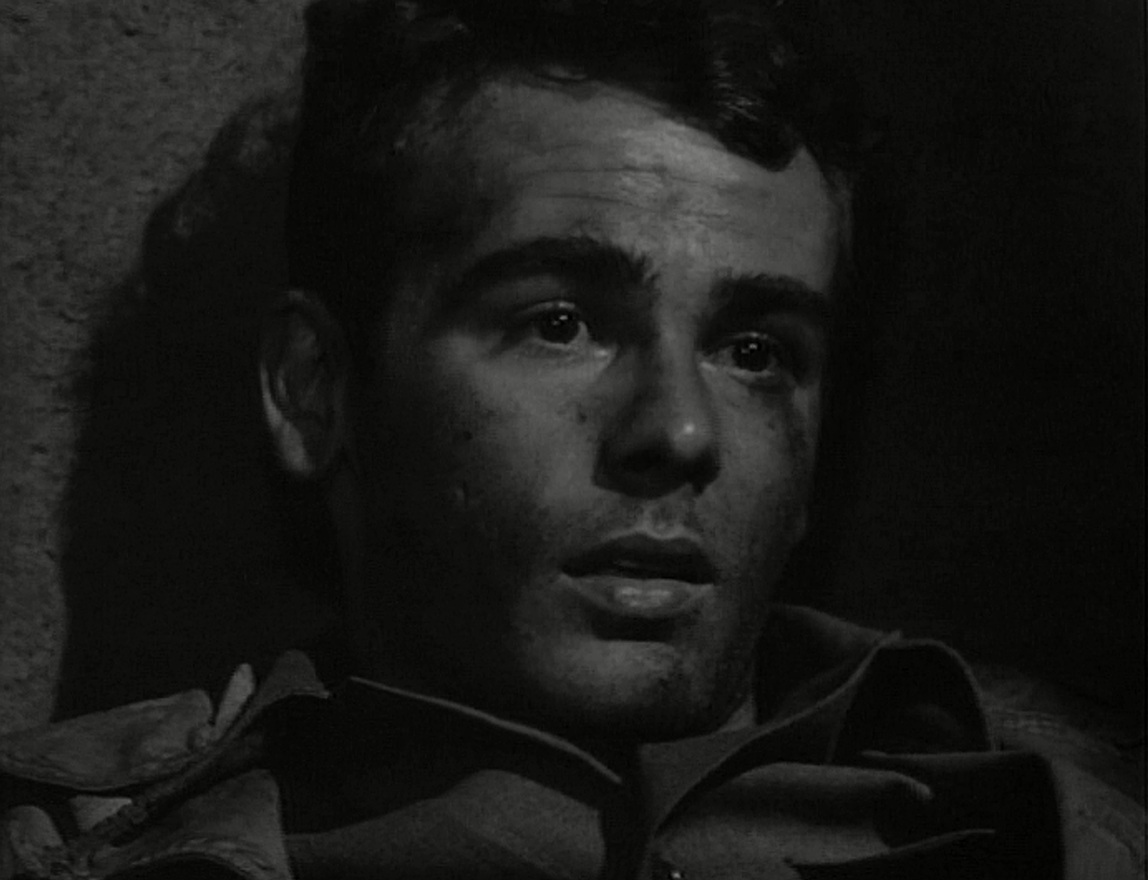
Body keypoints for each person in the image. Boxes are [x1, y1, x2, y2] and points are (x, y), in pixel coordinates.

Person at [1, 1, 1143, 878]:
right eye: (559, 324)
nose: (680, 430)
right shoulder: (71, 851)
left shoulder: (1055, 829)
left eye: (755, 351)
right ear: (317, 392)